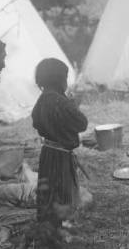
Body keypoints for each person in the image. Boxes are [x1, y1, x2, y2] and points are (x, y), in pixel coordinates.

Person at [32, 57, 88, 227]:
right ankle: (62, 225)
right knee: (62, 189)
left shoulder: (42, 99)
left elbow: (37, 122)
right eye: (65, 77)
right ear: (59, 79)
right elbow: (81, 123)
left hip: (48, 152)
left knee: (50, 190)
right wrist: (71, 104)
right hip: (61, 156)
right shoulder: (59, 101)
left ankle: (50, 224)